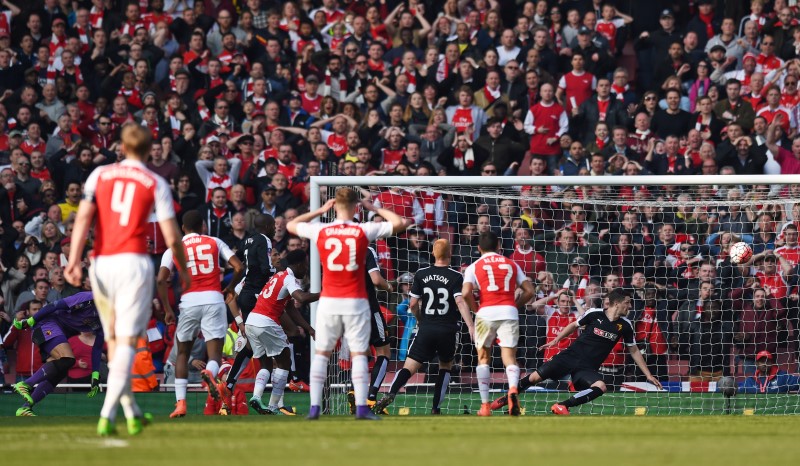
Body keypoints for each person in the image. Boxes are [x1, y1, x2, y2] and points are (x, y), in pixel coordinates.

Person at [64, 124, 190, 436]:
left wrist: (74, 260)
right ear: (149, 151)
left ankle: (132, 412)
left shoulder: (100, 174)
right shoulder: (155, 181)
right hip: (133, 263)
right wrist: (184, 269)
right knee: (127, 343)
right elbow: (173, 235)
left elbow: (83, 217)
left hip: (101, 264)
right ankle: (107, 414)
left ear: (121, 146)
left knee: (114, 342)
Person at [287, 187, 410, 420]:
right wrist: (374, 208)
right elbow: (401, 222)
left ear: (334, 206)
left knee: (322, 353)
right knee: (360, 354)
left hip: (329, 301)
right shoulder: (362, 230)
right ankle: (362, 408)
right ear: (356, 207)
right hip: (356, 301)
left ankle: (314, 409)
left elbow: (291, 225)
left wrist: (320, 210)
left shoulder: (322, 230)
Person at [489, 289, 663, 415]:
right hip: (569, 357)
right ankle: (506, 399)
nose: (630, 306)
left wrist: (647, 374)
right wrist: (556, 340)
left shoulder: (625, 325)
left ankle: (562, 406)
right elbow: (574, 325)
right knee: (534, 378)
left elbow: (633, 350)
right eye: (627, 302)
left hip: (587, 368)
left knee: (601, 387)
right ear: (616, 303)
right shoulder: (595, 314)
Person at [156, 209, 244, 418]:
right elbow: (239, 267)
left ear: (183, 229)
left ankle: (181, 404)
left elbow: (160, 280)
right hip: (214, 299)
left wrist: (168, 310)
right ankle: (211, 374)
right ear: (203, 226)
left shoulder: (174, 248)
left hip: (189, 302)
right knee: (214, 354)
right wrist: (230, 288)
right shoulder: (215, 241)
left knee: (183, 353)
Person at [373, 239, 474, 415]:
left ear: (433, 253)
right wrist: (471, 327)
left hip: (426, 328)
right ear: (450, 254)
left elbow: (412, 304)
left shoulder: (421, 274)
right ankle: (435, 408)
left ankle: (391, 393)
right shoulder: (457, 276)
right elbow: (459, 301)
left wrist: (420, 319)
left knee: (409, 367)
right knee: (445, 366)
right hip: (448, 330)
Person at [462, 231, 535, 416]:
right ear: (498, 246)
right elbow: (529, 291)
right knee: (509, 357)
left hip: (485, 311)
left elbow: (465, 293)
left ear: (479, 248)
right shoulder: (511, 263)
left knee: (483, 358)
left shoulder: (474, 266)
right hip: (508, 311)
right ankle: (512, 390)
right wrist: (515, 305)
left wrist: (476, 309)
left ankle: (485, 406)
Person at [246, 249, 317, 415]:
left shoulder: (277, 276)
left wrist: (309, 329)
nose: (306, 269)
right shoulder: (289, 279)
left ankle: (256, 397)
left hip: (252, 321)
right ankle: (273, 407)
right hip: (266, 321)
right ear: (298, 265)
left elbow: (291, 309)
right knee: (285, 360)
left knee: (266, 364)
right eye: (305, 265)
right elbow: (302, 298)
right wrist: (326, 293)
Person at [11, 293, 103, 416]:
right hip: (46, 323)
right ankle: (25, 384)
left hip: (58, 333)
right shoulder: (89, 297)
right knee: (68, 360)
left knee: (60, 371)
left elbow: (97, 347)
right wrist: (30, 320)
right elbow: (53, 305)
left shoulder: (106, 320)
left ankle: (25, 408)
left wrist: (95, 375)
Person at [221, 213, 275, 402]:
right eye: (274, 225)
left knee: (251, 347)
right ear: (268, 226)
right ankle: (282, 393)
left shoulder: (248, 240)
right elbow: (266, 268)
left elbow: (231, 297)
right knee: (280, 345)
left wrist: (239, 322)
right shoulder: (265, 240)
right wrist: (279, 275)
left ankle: (229, 383)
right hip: (259, 296)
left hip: (247, 296)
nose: (276, 228)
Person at [346, 244, 395, 414]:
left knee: (362, 353)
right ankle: (371, 398)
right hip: (368, 307)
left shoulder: (338, 252)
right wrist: (388, 286)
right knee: (384, 352)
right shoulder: (365, 250)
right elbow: (375, 279)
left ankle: (353, 391)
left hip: (347, 309)